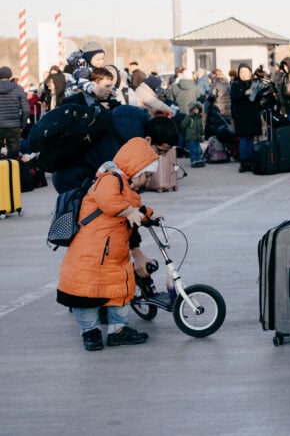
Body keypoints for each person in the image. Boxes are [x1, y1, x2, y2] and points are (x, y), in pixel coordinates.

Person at [56, 137, 161, 351]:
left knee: (119, 293)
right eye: (147, 174)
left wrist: (149, 215)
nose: (148, 180)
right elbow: (108, 200)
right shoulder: (110, 178)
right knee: (86, 293)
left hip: (115, 255)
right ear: (136, 167)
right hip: (91, 252)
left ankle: (118, 331)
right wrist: (128, 211)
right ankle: (90, 332)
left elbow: (135, 210)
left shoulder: (130, 192)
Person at [230, 64, 261, 173]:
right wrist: (244, 93)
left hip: (253, 115)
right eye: (241, 72)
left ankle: (251, 161)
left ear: (250, 72)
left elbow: (258, 99)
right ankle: (243, 162)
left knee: (251, 139)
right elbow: (233, 98)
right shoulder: (235, 84)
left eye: (246, 71)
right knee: (244, 139)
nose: (243, 74)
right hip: (241, 116)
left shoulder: (254, 83)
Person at [0, 65, 30, 158]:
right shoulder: (18, 89)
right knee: (13, 153)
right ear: (10, 75)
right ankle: (12, 171)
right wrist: (22, 125)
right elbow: (25, 109)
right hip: (14, 126)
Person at [181, 102, 205, 168]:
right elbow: (183, 125)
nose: (196, 111)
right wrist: (187, 132)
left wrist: (202, 134)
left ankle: (199, 160)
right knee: (192, 151)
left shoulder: (199, 118)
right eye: (195, 109)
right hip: (190, 138)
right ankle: (193, 162)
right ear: (192, 110)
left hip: (197, 137)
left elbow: (200, 127)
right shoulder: (189, 117)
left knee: (198, 150)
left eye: (197, 109)